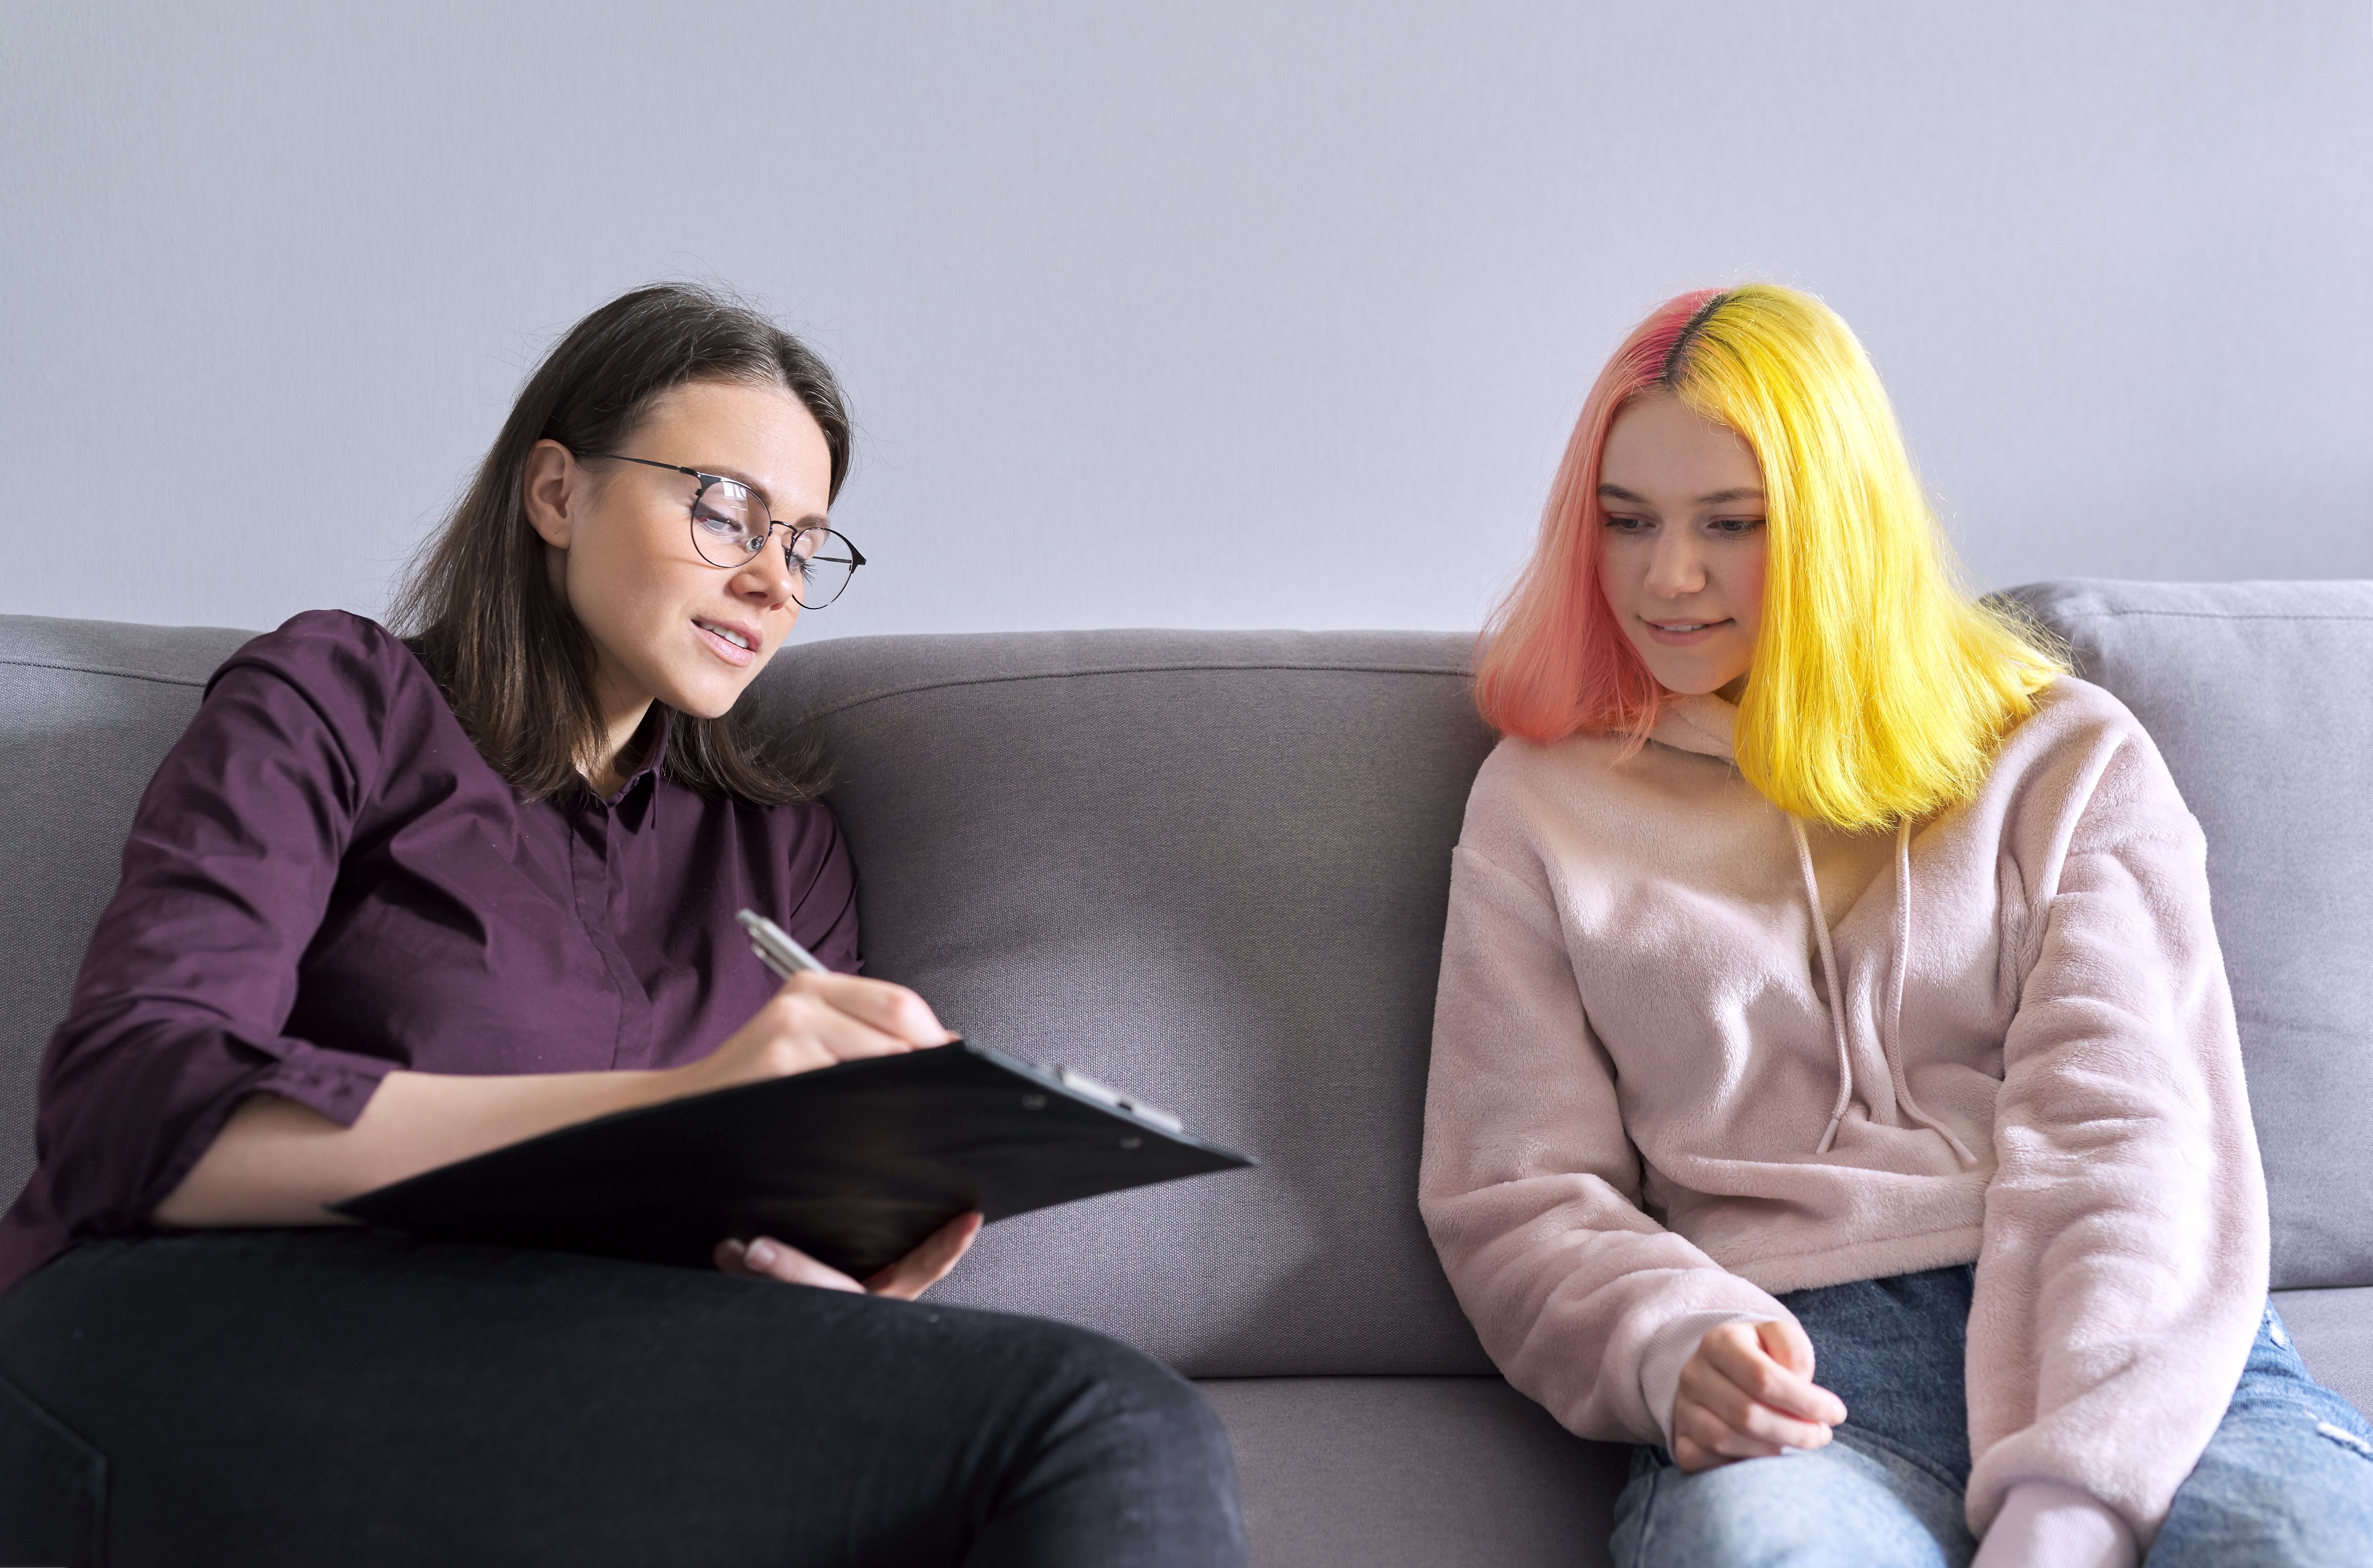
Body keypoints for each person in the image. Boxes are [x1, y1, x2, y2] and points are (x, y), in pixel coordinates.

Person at [0, 284, 1246, 1567]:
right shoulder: (337, 697)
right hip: (191, 1337)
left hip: (565, 1370)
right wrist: (669, 1109)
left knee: (1045, 1438)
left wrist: (831, 1260)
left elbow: (745, 1234)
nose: (770, 578)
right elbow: (127, 1113)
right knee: (1100, 1418)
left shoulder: (776, 843)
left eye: (807, 544)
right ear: (556, 493)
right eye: (725, 511)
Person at [1420, 284, 2373, 1567]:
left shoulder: (2063, 759)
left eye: (1732, 524)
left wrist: (2076, 1493)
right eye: (1627, 523)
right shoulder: (1540, 804)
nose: (1670, 576)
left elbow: (2133, 1131)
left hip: (2132, 1336)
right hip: (1803, 1373)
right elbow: (1517, 1190)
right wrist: (1670, 1341)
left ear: (1836, 523)